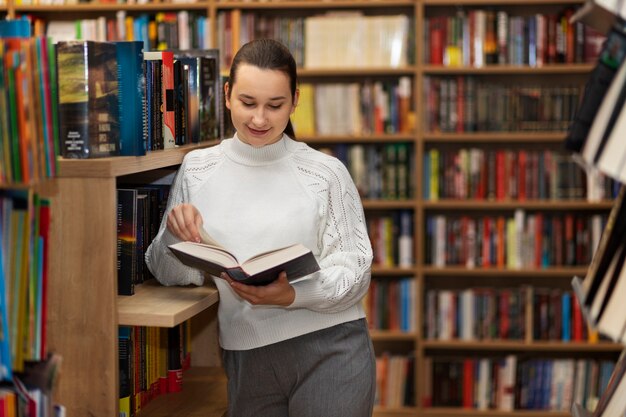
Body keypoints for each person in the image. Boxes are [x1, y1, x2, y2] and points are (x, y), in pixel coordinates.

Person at [145, 38, 375, 417]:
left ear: (295, 100)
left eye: (275, 105)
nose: (259, 120)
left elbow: (356, 271)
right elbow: (170, 275)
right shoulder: (198, 168)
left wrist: (291, 296)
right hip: (245, 358)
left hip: (331, 349)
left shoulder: (325, 172)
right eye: (248, 103)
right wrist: (174, 233)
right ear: (226, 94)